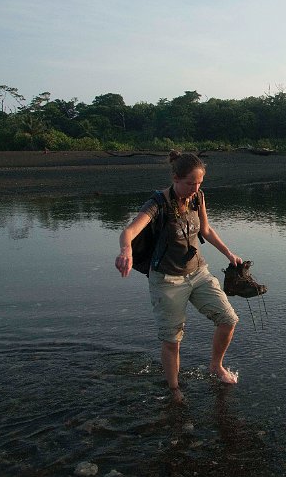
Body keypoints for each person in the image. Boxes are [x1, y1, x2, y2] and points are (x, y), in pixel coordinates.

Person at [114, 151, 242, 403]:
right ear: (175, 178)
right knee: (172, 339)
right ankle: (174, 388)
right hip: (167, 281)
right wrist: (125, 250)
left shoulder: (197, 198)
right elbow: (129, 231)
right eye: (190, 183)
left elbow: (205, 229)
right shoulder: (157, 203)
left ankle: (215, 366)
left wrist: (229, 253)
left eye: (199, 184)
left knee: (228, 319)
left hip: (198, 272)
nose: (195, 189)